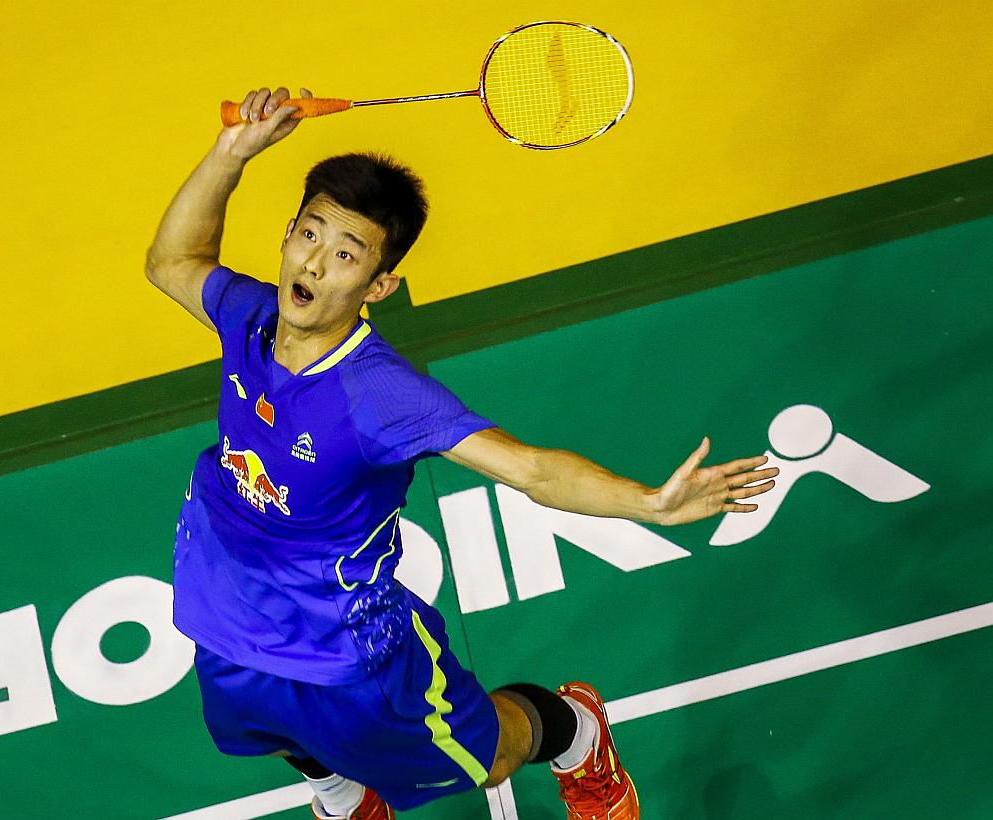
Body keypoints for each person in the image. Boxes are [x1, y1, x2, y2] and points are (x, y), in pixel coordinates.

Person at [145, 86, 778, 820]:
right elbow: (172, 260)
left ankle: (576, 734)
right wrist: (232, 153)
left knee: (488, 759)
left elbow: (530, 468)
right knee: (267, 732)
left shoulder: (379, 394)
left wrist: (646, 504)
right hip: (222, 599)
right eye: (309, 235)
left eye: (345, 254)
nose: (314, 265)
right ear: (287, 235)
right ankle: (345, 795)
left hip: (344, 645)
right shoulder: (250, 316)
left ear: (379, 284)